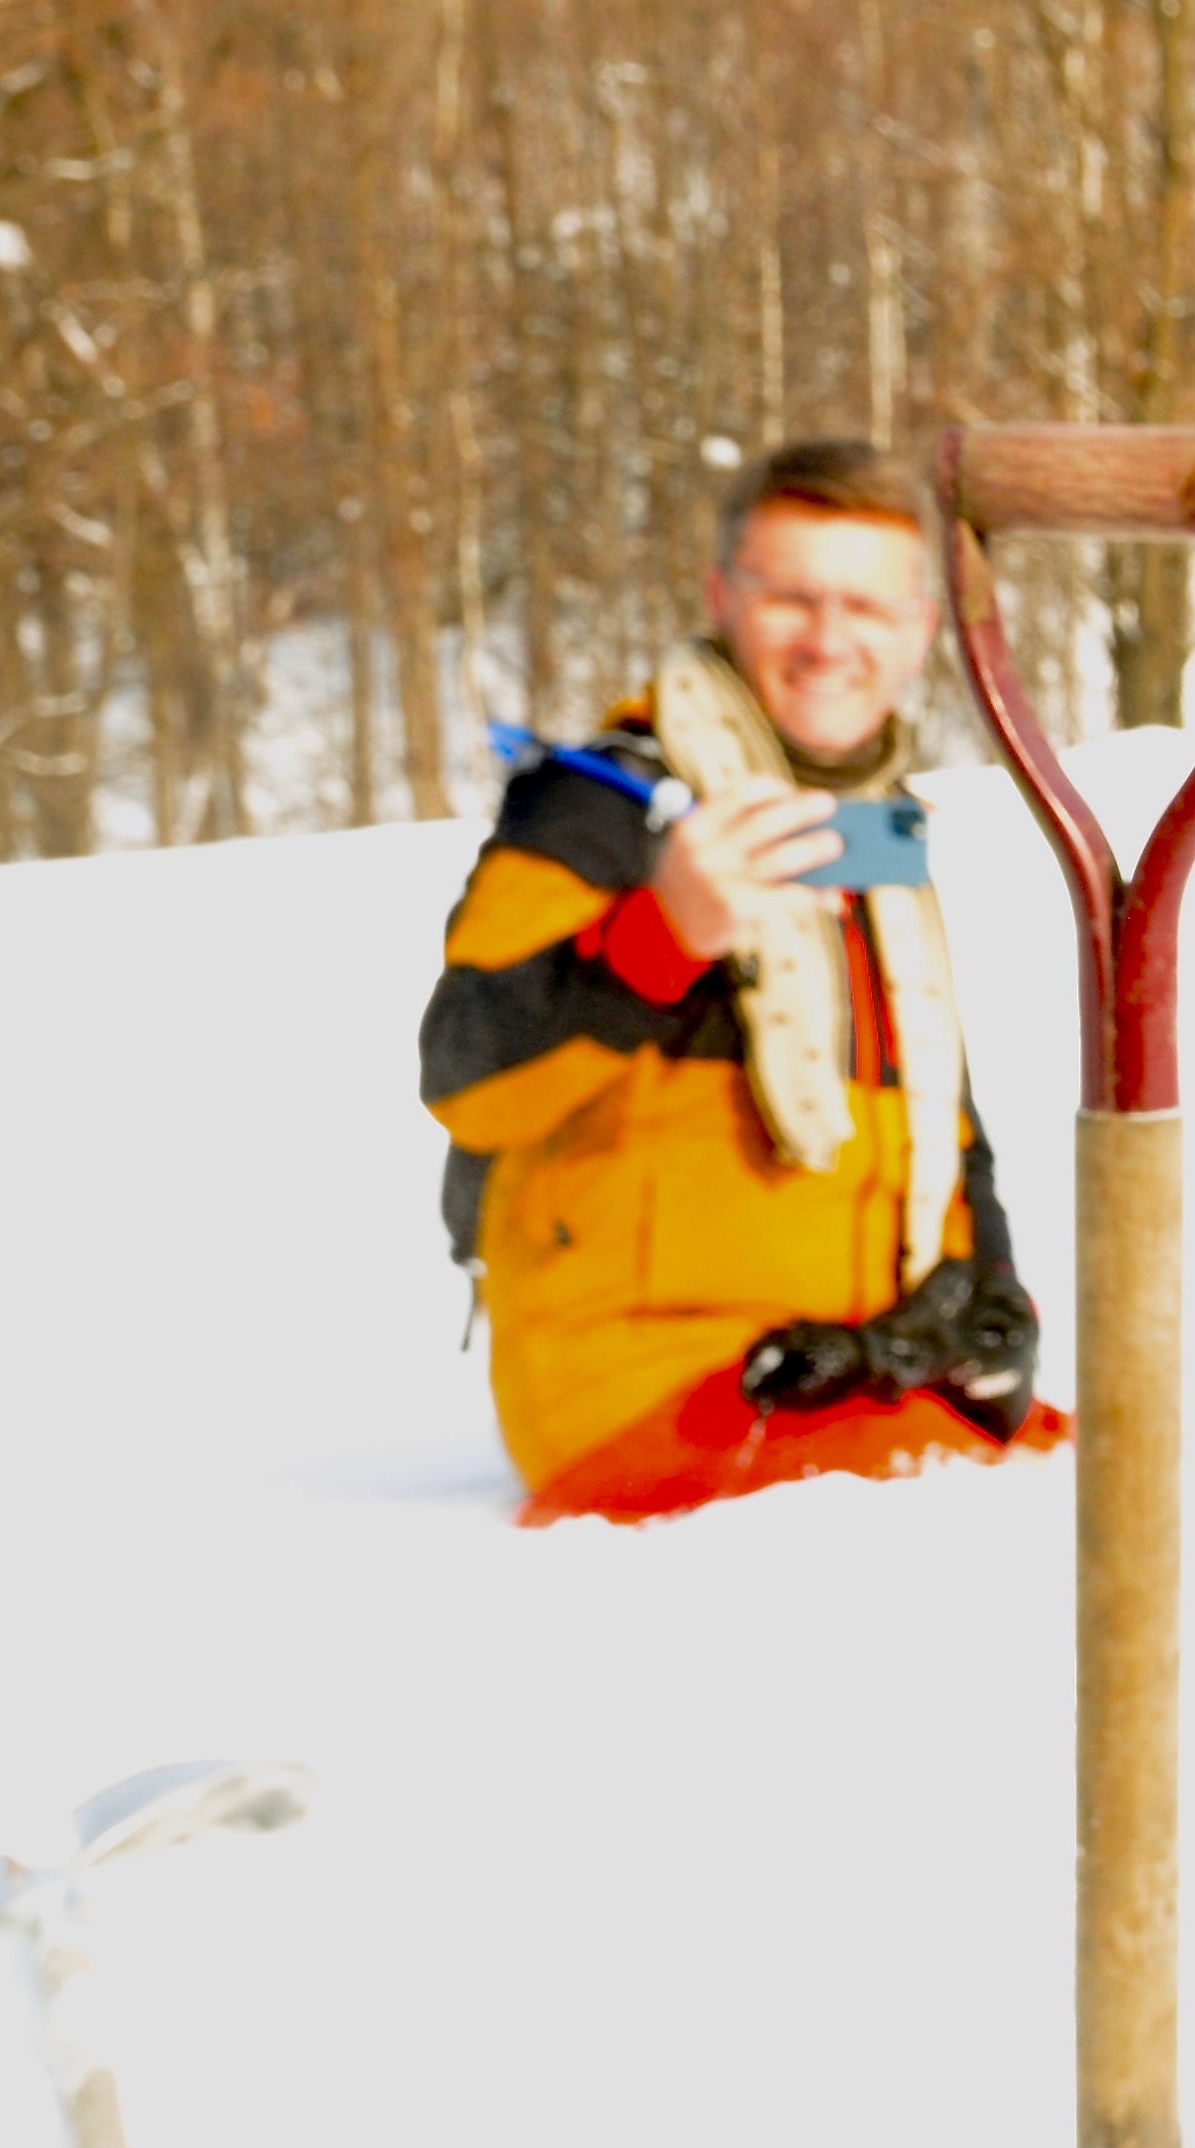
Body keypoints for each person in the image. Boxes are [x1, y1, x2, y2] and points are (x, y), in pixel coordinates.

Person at [418, 439, 1060, 1522]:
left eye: (868, 608)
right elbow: (465, 1074)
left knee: (1106, 1496)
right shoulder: (601, 806)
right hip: (642, 1385)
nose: (829, 641)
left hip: (848, 1372)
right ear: (724, 596)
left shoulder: (874, 833)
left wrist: (987, 1293)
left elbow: (941, 1119)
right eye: (792, 599)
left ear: (920, 630)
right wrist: (658, 934)